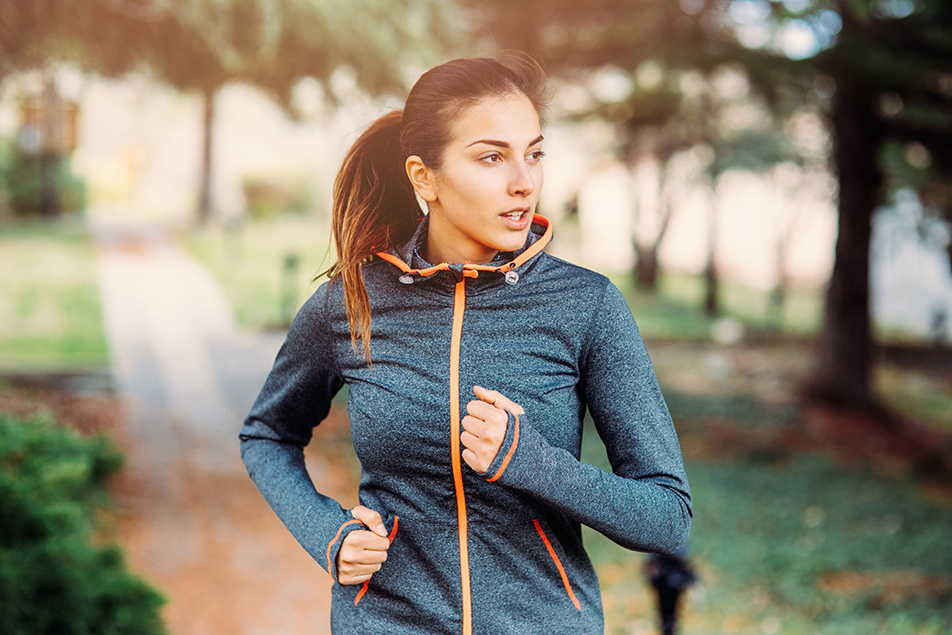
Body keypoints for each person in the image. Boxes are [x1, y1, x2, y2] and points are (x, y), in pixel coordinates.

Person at [239, 55, 692, 635]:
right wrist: (327, 534)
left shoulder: (586, 306)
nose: (523, 182)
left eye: (534, 153)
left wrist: (536, 466)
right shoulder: (351, 301)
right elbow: (267, 433)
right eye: (491, 156)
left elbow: (667, 518)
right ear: (424, 177)